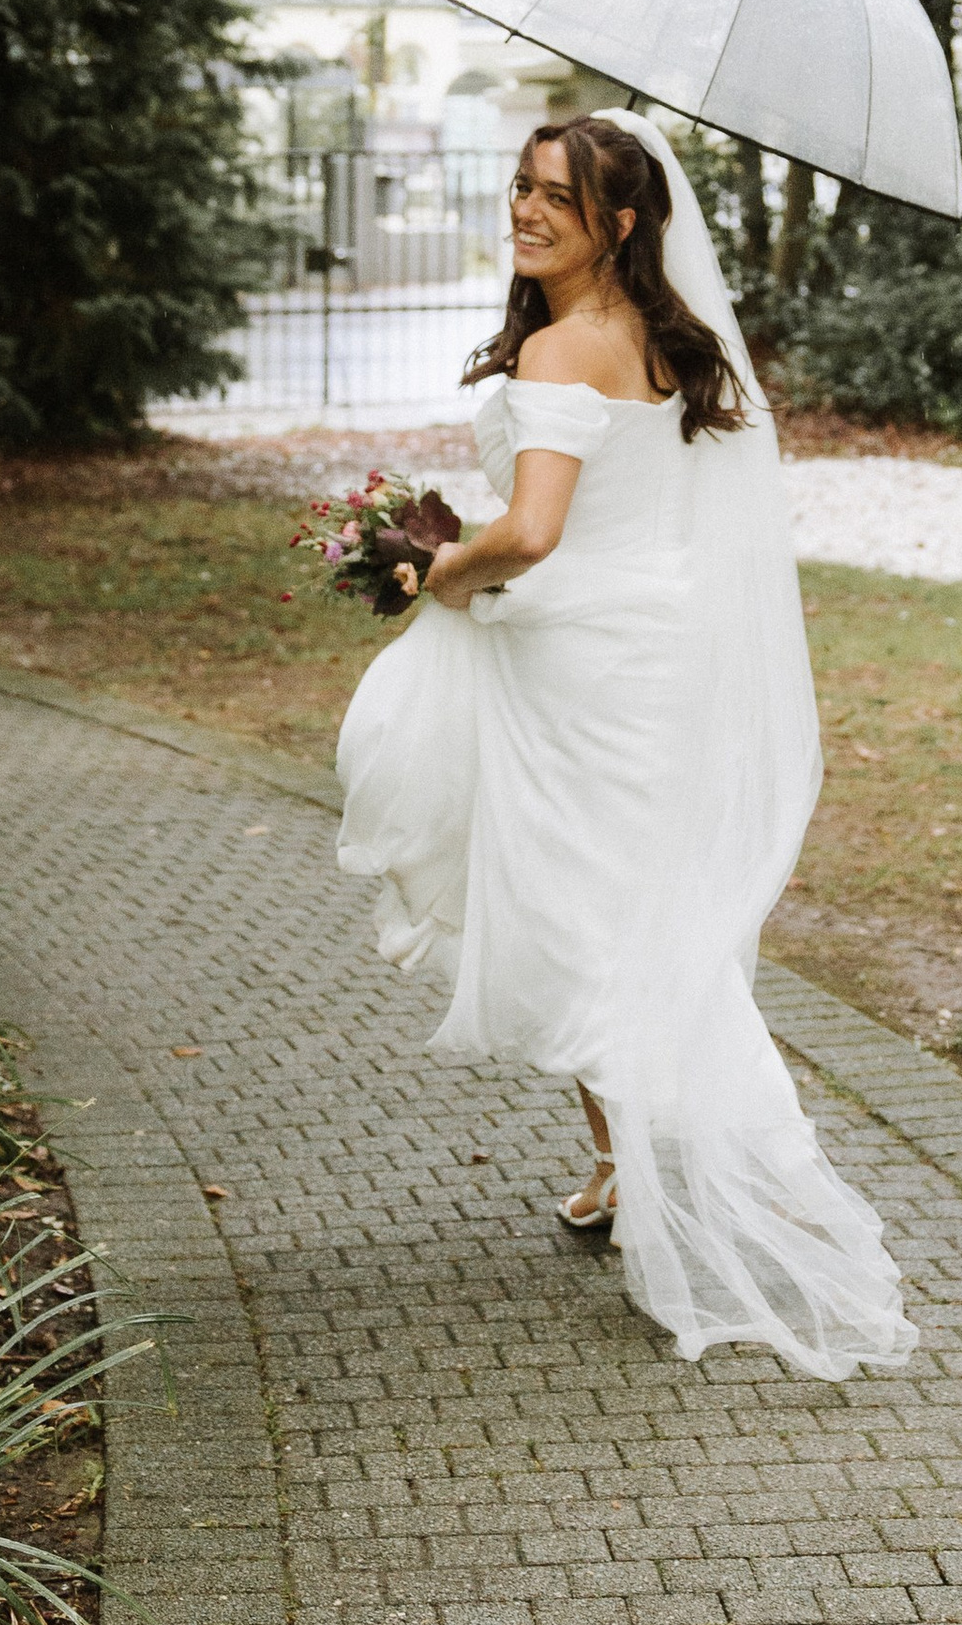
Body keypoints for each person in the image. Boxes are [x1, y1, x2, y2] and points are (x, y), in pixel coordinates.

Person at [334, 109, 916, 1379]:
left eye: (555, 196)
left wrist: (436, 565)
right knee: (616, 925)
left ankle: (752, 1188)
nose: (525, 211)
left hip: (577, 671)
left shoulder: (557, 349)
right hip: (646, 657)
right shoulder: (666, 339)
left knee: (601, 939)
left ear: (623, 219)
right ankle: (620, 1163)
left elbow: (537, 532)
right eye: (520, 187)